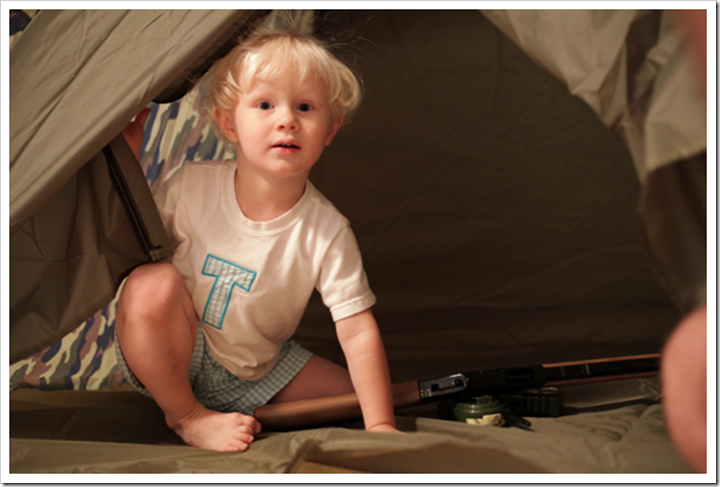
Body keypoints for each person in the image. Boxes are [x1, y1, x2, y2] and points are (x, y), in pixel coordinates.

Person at [116, 27, 398, 452]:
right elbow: (125, 245)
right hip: (177, 349)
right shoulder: (190, 187)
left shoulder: (327, 230)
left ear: (331, 128)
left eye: (305, 107)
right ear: (228, 122)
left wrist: (380, 425)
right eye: (265, 105)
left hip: (256, 368)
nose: (287, 120)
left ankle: (233, 408)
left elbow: (357, 331)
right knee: (150, 284)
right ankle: (187, 415)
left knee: (355, 399)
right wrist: (129, 163)